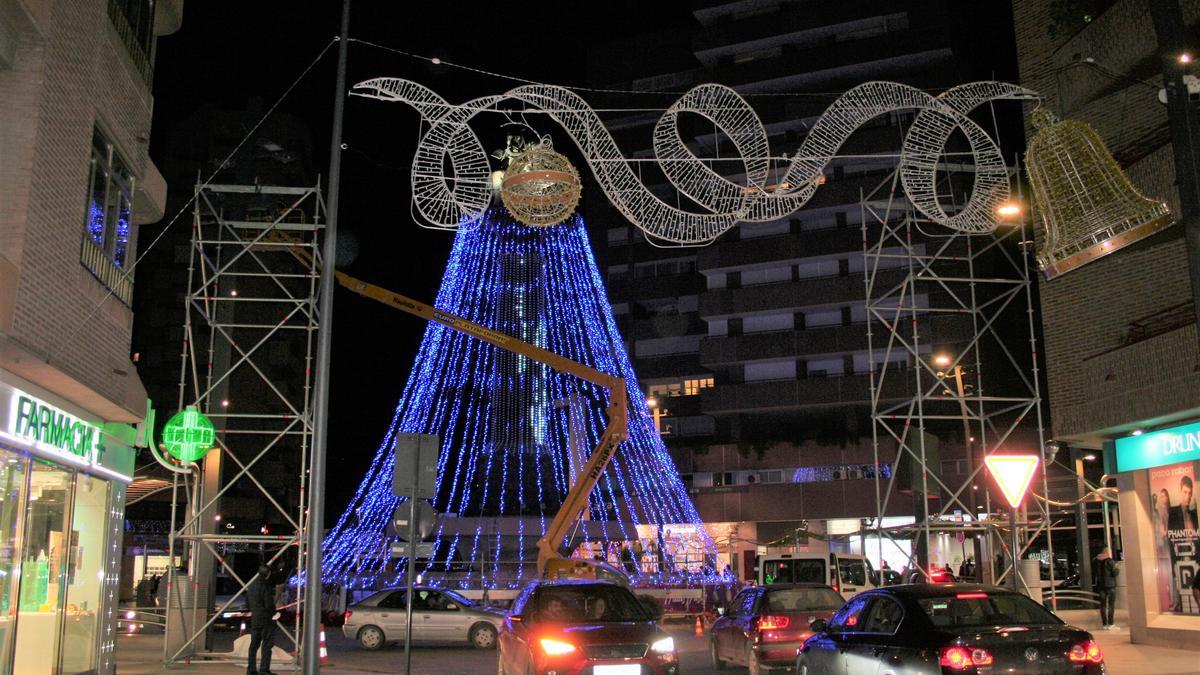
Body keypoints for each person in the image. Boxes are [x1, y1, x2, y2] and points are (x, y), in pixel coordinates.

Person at [247, 564, 278, 675]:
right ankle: (264, 669)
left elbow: (248, 603)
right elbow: (268, 604)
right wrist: (275, 613)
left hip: (255, 619)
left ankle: (251, 669)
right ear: (268, 573)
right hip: (266, 620)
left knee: (253, 646)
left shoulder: (251, 586)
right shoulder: (265, 586)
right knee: (266, 645)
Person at [1092, 547, 1119, 630]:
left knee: (1103, 605)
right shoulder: (1110, 561)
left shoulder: (1095, 561)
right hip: (1110, 586)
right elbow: (1114, 573)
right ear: (1107, 552)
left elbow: (1094, 572)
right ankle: (1111, 623)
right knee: (1111, 605)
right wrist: (1117, 568)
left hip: (1100, 586)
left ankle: (1104, 624)